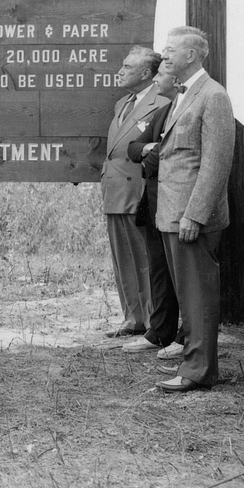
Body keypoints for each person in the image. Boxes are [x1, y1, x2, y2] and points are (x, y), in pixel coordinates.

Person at [152, 27, 234, 393]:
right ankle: (195, 364)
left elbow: (216, 163)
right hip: (174, 213)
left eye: (171, 51)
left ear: (193, 56)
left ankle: (199, 371)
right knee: (190, 295)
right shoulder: (186, 95)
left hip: (190, 217)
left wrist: (195, 215)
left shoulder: (213, 96)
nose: (164, 56)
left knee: (198, 296)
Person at [101, 46, 169, 338]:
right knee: (123, 257)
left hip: (139, 190)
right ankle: (133, 316)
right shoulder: (122, 104)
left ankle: (154, 321)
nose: (120, 71)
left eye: (127, 67)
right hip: (115, 190)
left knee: (145, 258)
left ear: (145, 73)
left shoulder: (162, 102)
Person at [123, 61, 183, 358]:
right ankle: (160, 331)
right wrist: (148, 151)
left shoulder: (187, 110)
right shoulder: (163, 112)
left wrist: (150, 155)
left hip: (179, 206)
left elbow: (170, 155)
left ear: (176, 78)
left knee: (184, 275)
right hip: (154, 204)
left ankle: (186, 337)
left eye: (161, 74)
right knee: (159, 270)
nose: (157, 79)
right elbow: (134, 148)